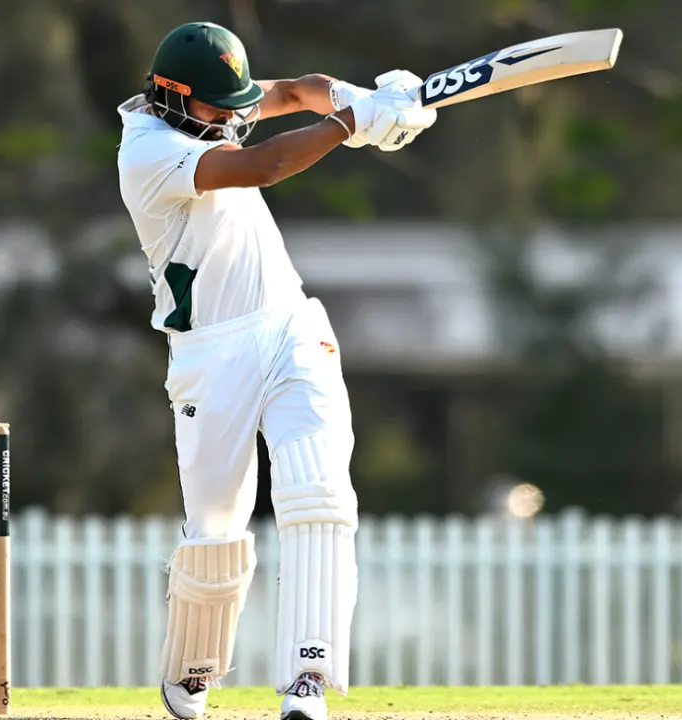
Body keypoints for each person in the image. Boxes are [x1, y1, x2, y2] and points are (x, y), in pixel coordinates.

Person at [115, 21, 437, 720]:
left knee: (319, 491)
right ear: (171, 96)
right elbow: (262, 166)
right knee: (217, 530)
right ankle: (194, 668)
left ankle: (308, 681)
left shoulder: (210, 106)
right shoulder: (148, 152)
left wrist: (366, 97)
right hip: (209, 356)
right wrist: (354, 125)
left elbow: (295, 92)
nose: (232, 120)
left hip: (290, 325)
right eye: (219, 111)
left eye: (235, 106)